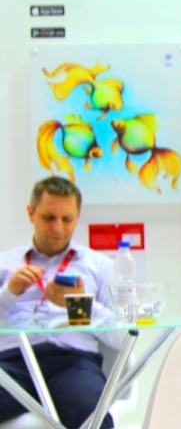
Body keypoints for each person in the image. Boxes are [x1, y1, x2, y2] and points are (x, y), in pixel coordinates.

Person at [0, 177, 118, 428]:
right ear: (30, 213)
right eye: (49, 217)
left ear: (78, 215)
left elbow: (120, 335)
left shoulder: (99, 266)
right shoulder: (4, 265)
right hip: (11, 364)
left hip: (73, 364)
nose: (58, 227)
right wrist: (9, 293)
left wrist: (79, 306)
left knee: (94, 420)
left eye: (67, 219)